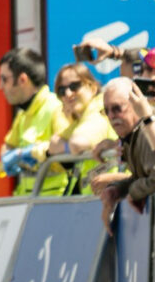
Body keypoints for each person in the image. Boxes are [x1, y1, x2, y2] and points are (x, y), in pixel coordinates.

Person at [90, 79, 155, 230]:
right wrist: (115, 190)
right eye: (106, 111)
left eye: (117, 108)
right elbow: (143, 177)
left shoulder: (149, 132)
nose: (111, 116)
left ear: (136, 105)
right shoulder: (131, 134)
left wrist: (132, 191)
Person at [0, 48, 69, 196]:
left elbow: (66, 149)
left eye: (5, 79)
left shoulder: (55, 107)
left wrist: (27, 154)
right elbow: (8, 146)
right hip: (27, 201)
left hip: (54, 203)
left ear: (23, 79)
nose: (0, 86)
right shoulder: (23, 113)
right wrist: (10, 156)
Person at [47, 64, 116, 194]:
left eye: (74, 86)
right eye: (62, 91)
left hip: (113, 198)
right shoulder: (80, 119)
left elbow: (77, 143)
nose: (68, 94)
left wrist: (67, 147)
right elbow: (53, 144)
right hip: (96, 198)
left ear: (92, 87)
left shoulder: (99, 110)